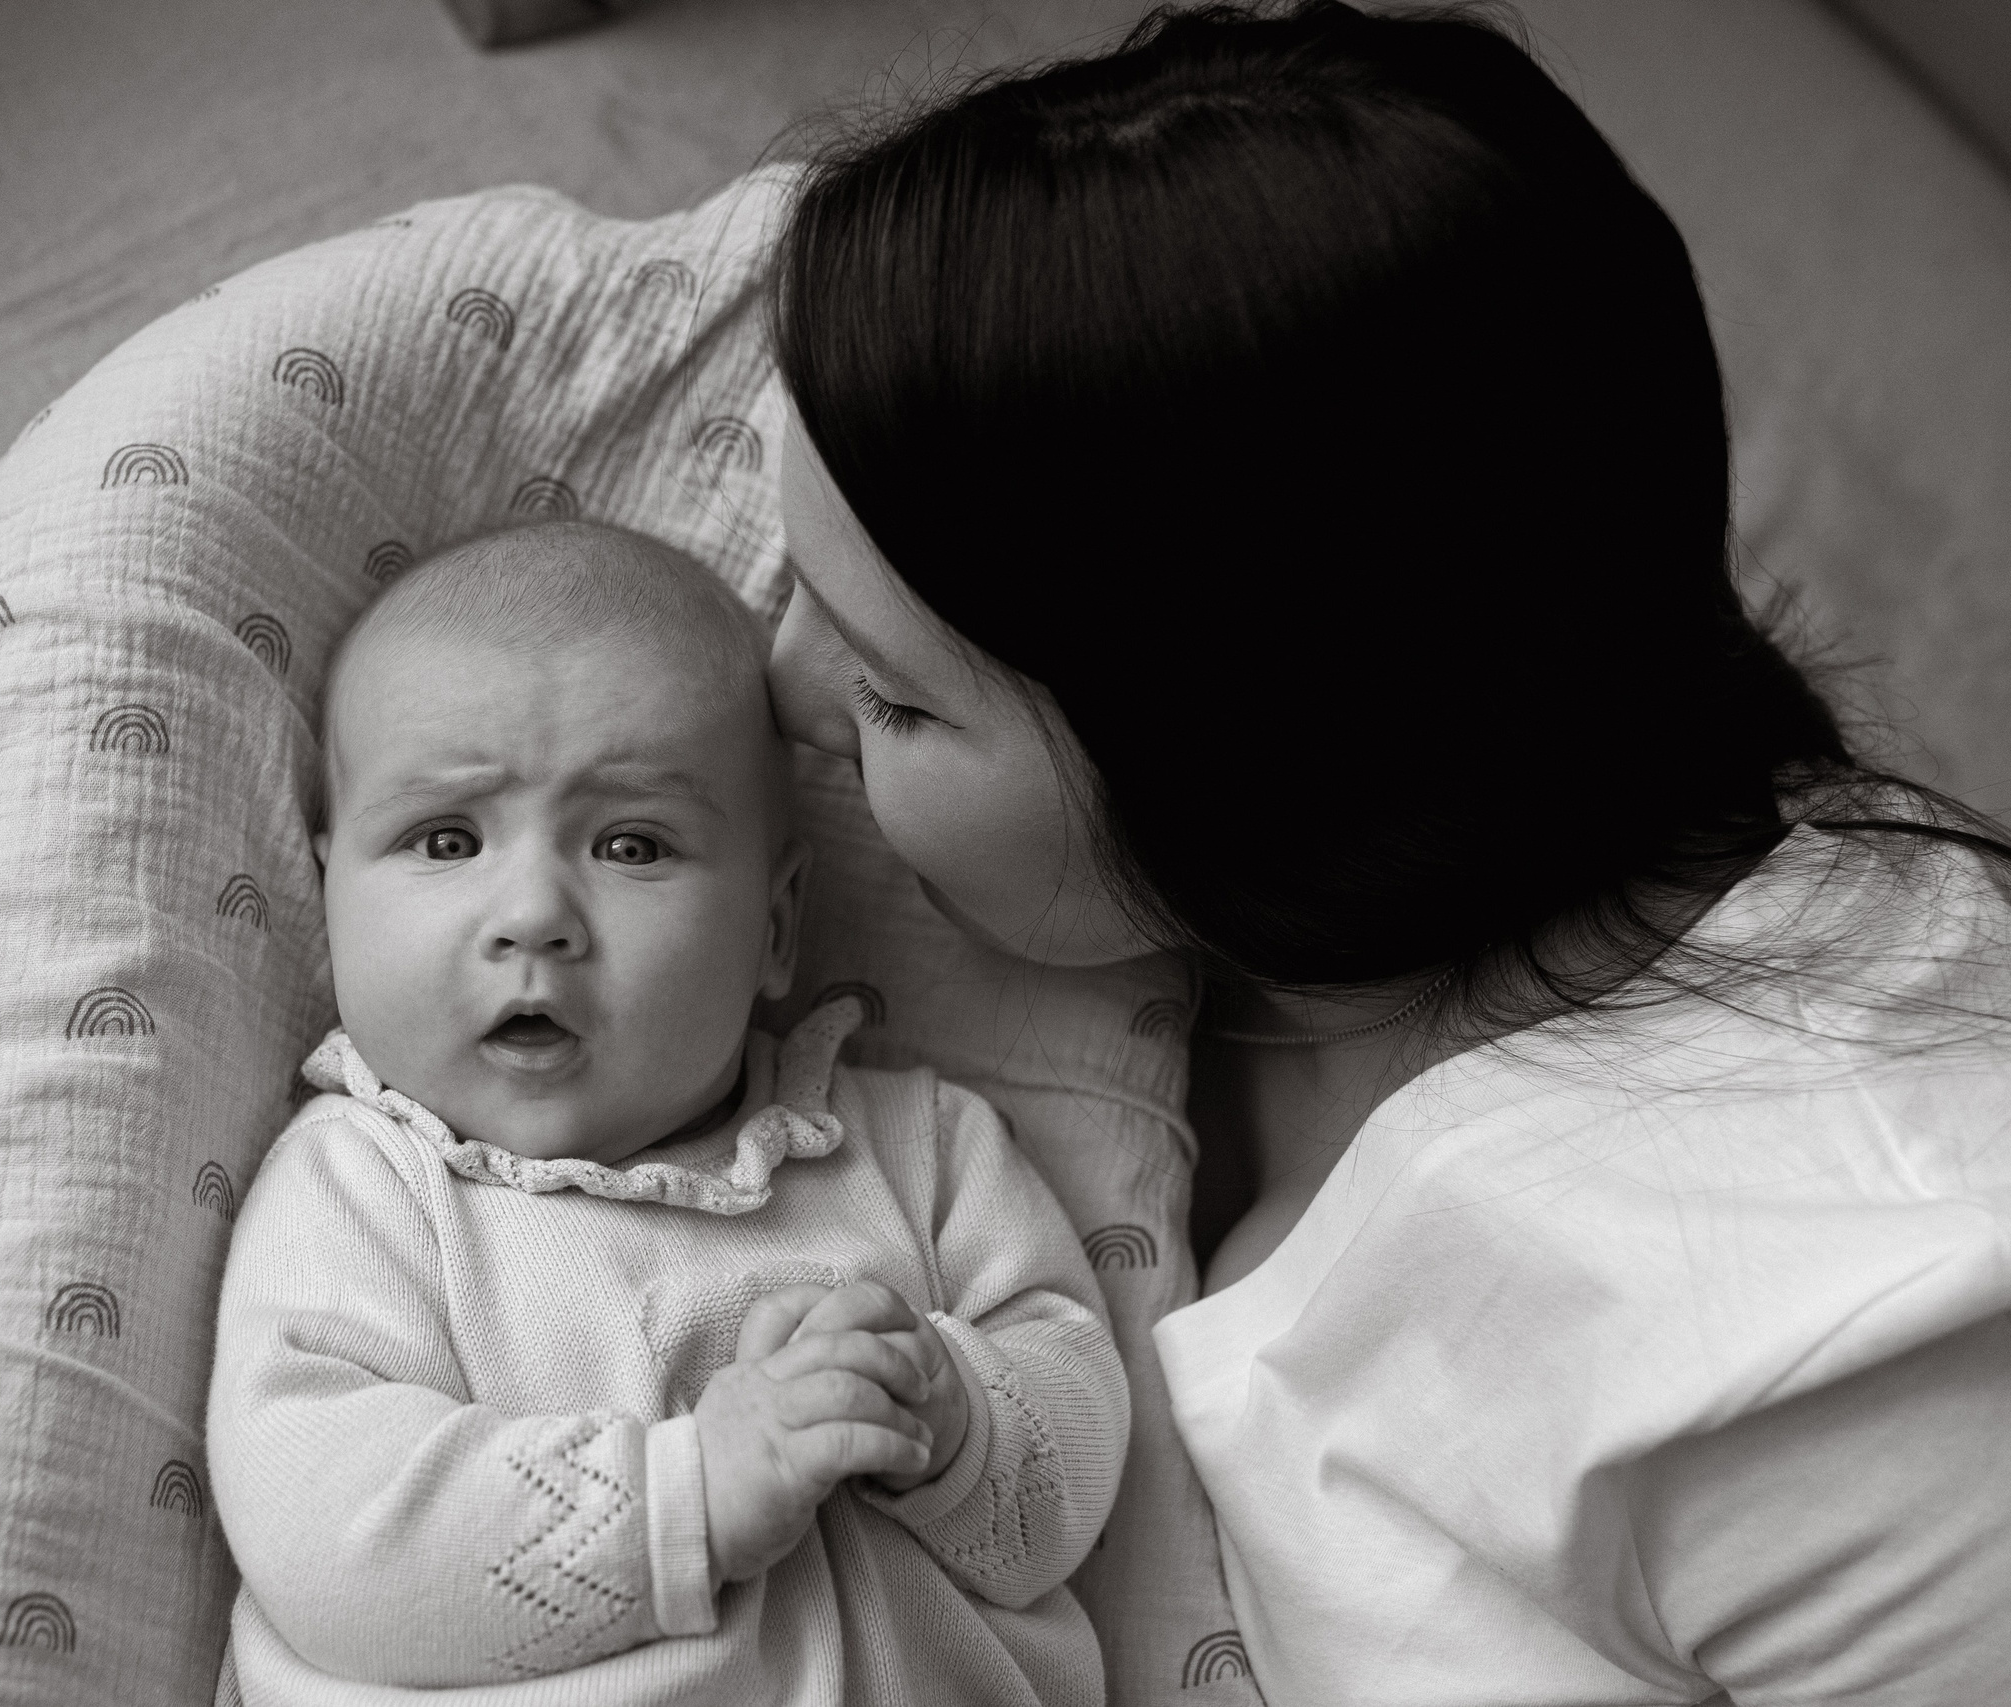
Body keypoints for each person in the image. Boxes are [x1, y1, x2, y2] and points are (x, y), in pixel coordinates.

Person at [763, 3, 2011, 1702]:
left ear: (1250, 766)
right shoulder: (1317, 910)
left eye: (895, 699)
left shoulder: (1863, 1339)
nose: (781, 694)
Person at [208, 521, 1130, 1706]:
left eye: (631, 844)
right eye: (446, 839)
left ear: (775, 928)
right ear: (328, 888)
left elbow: (1073, 1448)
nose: (534, 914)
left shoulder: (922, 1151)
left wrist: (950, 1415)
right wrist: (684, 1498)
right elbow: (330, 1538)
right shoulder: (359, 1188)